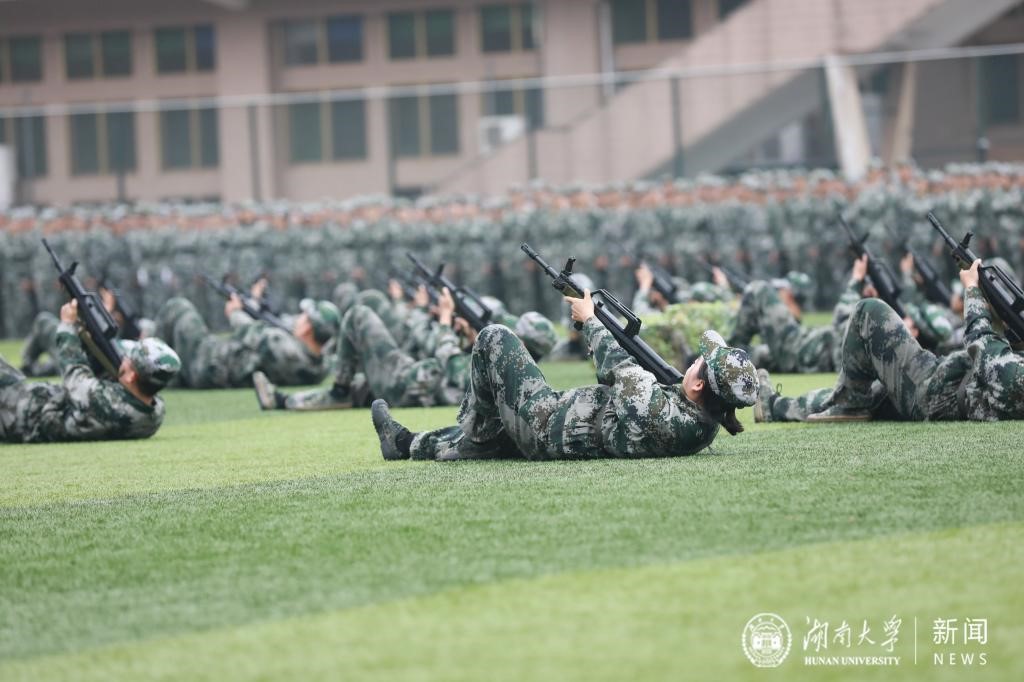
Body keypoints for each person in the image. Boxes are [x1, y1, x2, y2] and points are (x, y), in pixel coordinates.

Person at [370, 289, 758, 461]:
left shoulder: (667, 416)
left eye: (700, 362)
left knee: (494, 337)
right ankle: (403, 443)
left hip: (547, 428)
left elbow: (620, 367)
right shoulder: (701, 421)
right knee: (491, 434)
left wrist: (591, 321)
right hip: (560, 422)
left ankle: (478, 436)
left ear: (699, 384)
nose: (693, 360)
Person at [755, 260, 1024, 423]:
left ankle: (851, 406)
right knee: (862, 394)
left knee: (868, 311)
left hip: (935, 395)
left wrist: (973, 292)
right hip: (939, 382)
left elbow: (994, 362)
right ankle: (774, 407)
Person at [1, 300, 180, 443]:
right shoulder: (153, 412)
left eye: (129, 358)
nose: (124, 357)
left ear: (132, 376)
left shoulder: (106, 403)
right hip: (29, 404)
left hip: (16, 413)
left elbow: (74, 373)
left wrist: (67, 326)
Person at [154, 295, 338, 389]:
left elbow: (253, 329)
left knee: (178, 307)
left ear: (307, 328)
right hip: (221, 374)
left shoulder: (281, 347)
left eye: (303, 316)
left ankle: (151, 373)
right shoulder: (319, 367)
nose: (298, 317)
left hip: (206, 363)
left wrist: (235, 311)